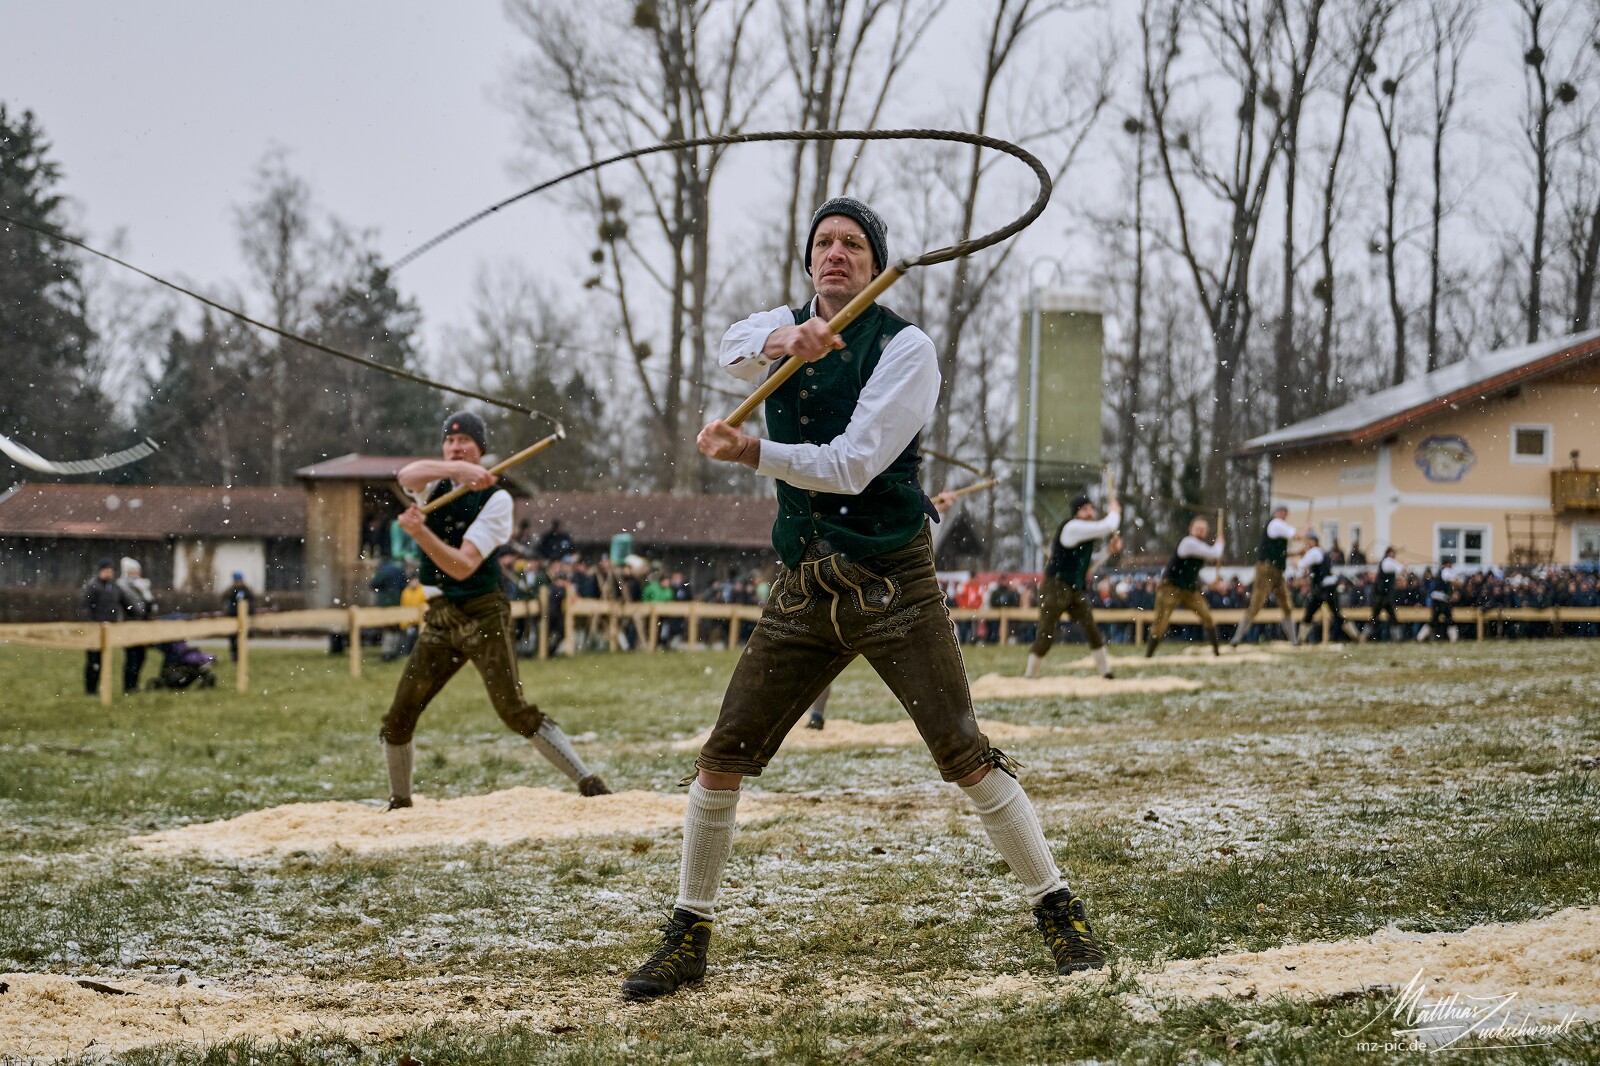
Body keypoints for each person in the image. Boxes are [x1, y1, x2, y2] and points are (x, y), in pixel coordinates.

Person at [622, 197, 1105, 1000]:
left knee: (965, 756)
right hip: (804, 585)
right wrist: (789, 341)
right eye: (823, 242)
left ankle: (1059, 909)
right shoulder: (777, 325)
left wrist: (752, 453)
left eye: (852, 244)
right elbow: (732, 343)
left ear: (876, 264)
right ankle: (689, 933)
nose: (835, 253)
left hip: (892, 583)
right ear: (808, 260)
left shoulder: (906, 347)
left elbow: (850, 465)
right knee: (720, 762)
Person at [380, 411, 610, 808]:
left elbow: (462, 564)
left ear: (481, 449)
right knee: (398, 717)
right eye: (450, 442)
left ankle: (587, 781)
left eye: (465, 442)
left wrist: (420, 532)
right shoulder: (434, 483)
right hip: (440, 615)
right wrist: (454, 470)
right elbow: (407, 476)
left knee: (512, 710)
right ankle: (400, 802)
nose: (456, 447)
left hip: (482, 611)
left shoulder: (497, 499)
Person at [807, 487, 958, 728]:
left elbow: (921, 538)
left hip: (885, 600)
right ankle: (816, 716)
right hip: (868, 598)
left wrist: (937, 509)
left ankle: (942, 721)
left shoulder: (887, 518)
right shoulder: (853, 515)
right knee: (818, 658)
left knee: (922, 660)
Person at [1025, 492, 1123, 680]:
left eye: (1091, 509)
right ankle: (1030, 675)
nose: (1090, 513)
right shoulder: (1072, 527)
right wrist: (1114, 512)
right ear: (1076, 513)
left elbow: (1089, 563)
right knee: (1046, 633)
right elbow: (1108, 525)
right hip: (1055, 586)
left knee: (1092, 629)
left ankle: (1106, 673)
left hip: (1075, 589)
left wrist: (1108, 551)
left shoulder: (1085, 535)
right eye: (1085, 509)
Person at [1145, 517, 1225, 657]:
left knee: (1207, 617)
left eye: (1203, 529)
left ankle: (1217, 652)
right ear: (1191, 530)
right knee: (1160, 624)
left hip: (1189, 590)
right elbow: (1215, 553)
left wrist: (1209, 583)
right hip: (1170, 588)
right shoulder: (1189, 543)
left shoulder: (1200, 549)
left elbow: (1193, 572)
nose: (1200, 532)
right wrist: (1219, 544)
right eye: (1197, 529)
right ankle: (1148, 655)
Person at [1229, 505, 1299, 647]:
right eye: (1282, 513)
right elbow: (1295, 534)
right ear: (1276, 513)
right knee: (1256, 604)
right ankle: (1236, 639)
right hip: (1266, 570)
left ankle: (1294, 641)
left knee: (1286, 606)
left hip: (1278, 571)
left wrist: (1299, 552)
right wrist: (1307, 531)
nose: (1284, 516)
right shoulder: (1275, 524)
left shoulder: (1279, 530)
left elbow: (1281, 554)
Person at [81, 558, 130, 695]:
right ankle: (90, 689)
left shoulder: (115, 587)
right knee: (93, 661)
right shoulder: (93, 586)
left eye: (111, 570)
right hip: (95, 630)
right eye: (107, 570)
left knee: (105, 660)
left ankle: (103, 688)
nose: (109, 573)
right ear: (101, 571)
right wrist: (91, 624)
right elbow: (86, 608)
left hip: (109, 630)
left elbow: (126, 604)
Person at [1298, 531, 1357, 642]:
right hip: (1329, 587)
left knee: (1309, 614)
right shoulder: (1320, 551)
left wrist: (1299, 557)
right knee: (1337, 615)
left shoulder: (1314, 552)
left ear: (1313, 542)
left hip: (1322, 589)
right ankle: (1355, 635)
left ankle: (1300, 639)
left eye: (1308, 541)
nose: (1307, 544)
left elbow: (1301, 565)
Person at [117, 558, 157, 692]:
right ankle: (129, 687)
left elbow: (150, 606)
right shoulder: (123, 587)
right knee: (132, 657)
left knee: (140, 656)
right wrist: (146, 604)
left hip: (141, 626)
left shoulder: (140, 586)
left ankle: (134, 685)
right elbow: (136, 608)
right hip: (130, 626)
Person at [1360, 547, 1403, 642]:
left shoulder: (1387, 562)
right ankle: (1365, 636)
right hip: (1382, 596)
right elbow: (1399, 568)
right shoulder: (1387, 562)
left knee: (1381, 618)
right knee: (1379, 618)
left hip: (1384, 596)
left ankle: (1365, 636)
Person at [1417, 561, 1459, 642]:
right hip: (1441, 599)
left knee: (1434, 620)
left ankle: (1420, 637)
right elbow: (1455, 582)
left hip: (1438, 599)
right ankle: (1454, 639)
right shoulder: (1446, 571)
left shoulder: (1442, 572)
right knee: (1448, 619)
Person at [222, 572, 253, 661]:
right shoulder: (230, 590)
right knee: (232, 637)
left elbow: (251, 601)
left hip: (243, 618)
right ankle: (234, 654)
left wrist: (249, 611)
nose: (239, 582)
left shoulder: (246, 590)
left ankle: (241, 655)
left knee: (242, 637)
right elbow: (225, 602)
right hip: (233, 617)